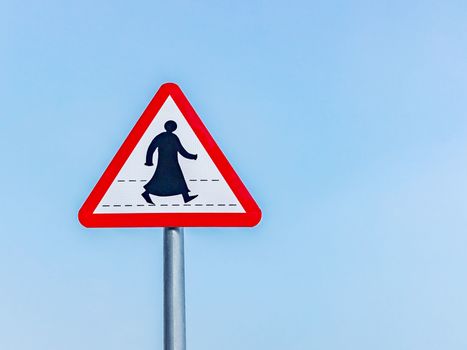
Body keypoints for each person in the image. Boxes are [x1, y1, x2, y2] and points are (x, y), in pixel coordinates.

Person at [142, 120, 198, 204]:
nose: (170, 128)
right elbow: (151, 148)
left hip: (172, 162)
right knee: (160, 178)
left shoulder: (171, 137)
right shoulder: (167, 137)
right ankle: (146, 193)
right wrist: (148, 161)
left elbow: (181, 150)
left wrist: (192, 156)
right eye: (170, 126)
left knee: (177, 178)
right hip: (165, 163)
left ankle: (186, 197)